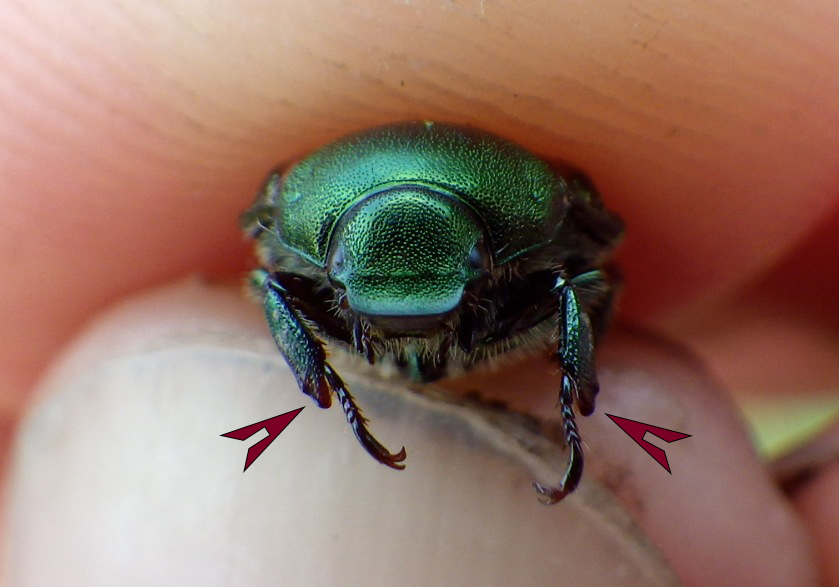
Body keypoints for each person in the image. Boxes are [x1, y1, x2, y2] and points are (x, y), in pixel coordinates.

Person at [1, 1, 837, 584]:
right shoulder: (294, 227)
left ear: (486, 256)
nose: (405, 322)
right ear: (328, 255)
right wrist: (323, 385)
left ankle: (572, 396)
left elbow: (588, 273)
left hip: (512, 277)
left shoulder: (538, 220)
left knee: (578, 287)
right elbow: (270, 283)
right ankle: (337, 390)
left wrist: (574, 391)